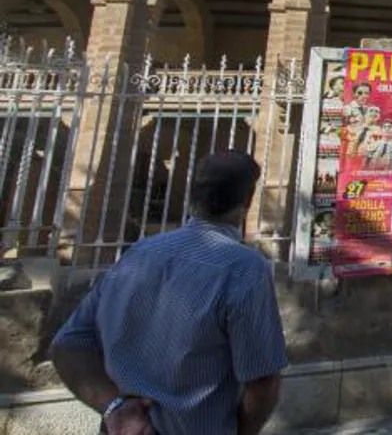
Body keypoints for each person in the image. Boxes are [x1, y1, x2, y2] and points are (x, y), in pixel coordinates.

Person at [51, 150, 288, 435]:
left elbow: (67, 344)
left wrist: (115, 408)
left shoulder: (138, 253)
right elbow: (262, 382)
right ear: (247, 202)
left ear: (192, 197)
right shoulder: (244, 268)